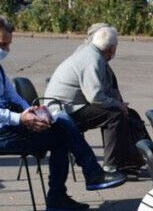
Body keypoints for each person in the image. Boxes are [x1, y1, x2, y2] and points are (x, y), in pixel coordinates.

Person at [0, 16, 125, 211]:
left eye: (9, 44)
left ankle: (78, 183)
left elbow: (13, 96)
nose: (6, 49)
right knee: (62, 136)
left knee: (61, 121)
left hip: (9, 126)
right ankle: (75, 185)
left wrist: (34, 113)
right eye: (2, 44)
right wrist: (20, 118)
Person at [43, 24, 147, 174]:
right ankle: (110, 167)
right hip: (63, 113)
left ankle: (126, 163)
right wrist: (117, 104)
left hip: (66, 106)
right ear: (111, 48)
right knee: (114, 114)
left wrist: (117, 103)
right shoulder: (93, 60)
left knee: (123, 113)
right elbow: (95, 97)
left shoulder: (89, 52)